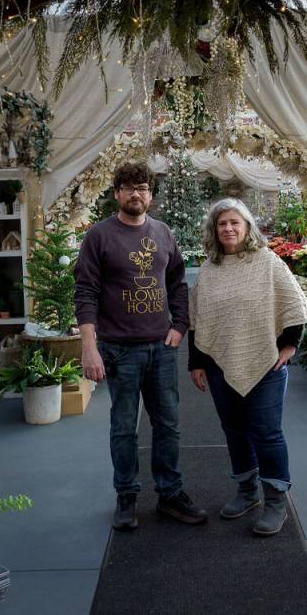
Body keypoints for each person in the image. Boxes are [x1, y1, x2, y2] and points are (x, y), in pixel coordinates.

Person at [75, 161, 208, 531]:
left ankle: (170, 494)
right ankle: (126, 496)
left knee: (168, 425)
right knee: (123, 428)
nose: (137, 193)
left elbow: (179, 283)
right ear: (117, 193)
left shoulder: (164, 233)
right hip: (119, 350)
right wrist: (89, 347)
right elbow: (85, 292)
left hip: (162, 348)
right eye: (130, 187)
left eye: (144, 187)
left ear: (151, 194)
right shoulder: (99, 236)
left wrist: (180, 325)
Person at [188, 198, 307, 536]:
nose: (228, 228)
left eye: (234, 222)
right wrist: (197, 362)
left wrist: (289, 346)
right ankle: (247, 492)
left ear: (246, 227)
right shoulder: (208, 270)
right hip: (218, 365)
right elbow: (197, 321)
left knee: (267, 431)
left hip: (266, 363)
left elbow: (293, 304)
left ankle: (275, 500)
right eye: (222, 224)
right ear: (214, 230)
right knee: (234, 430)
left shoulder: (268, 262)